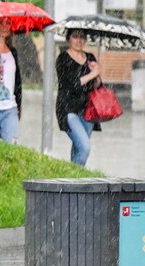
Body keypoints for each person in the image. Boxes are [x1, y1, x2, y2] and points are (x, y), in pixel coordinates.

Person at [56, 28, 102, 166]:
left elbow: (97, 85)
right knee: (84, 146)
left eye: (82, 37)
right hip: (68, 109)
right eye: (75, 36)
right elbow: (72, 85)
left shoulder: (90, 57)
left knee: (78, 147)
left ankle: (73, 174)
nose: (79, 40)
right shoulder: (63, 58)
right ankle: (75, 176)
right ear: (68, 39)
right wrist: (92, 74)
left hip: (87, 110)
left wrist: (97, 72)